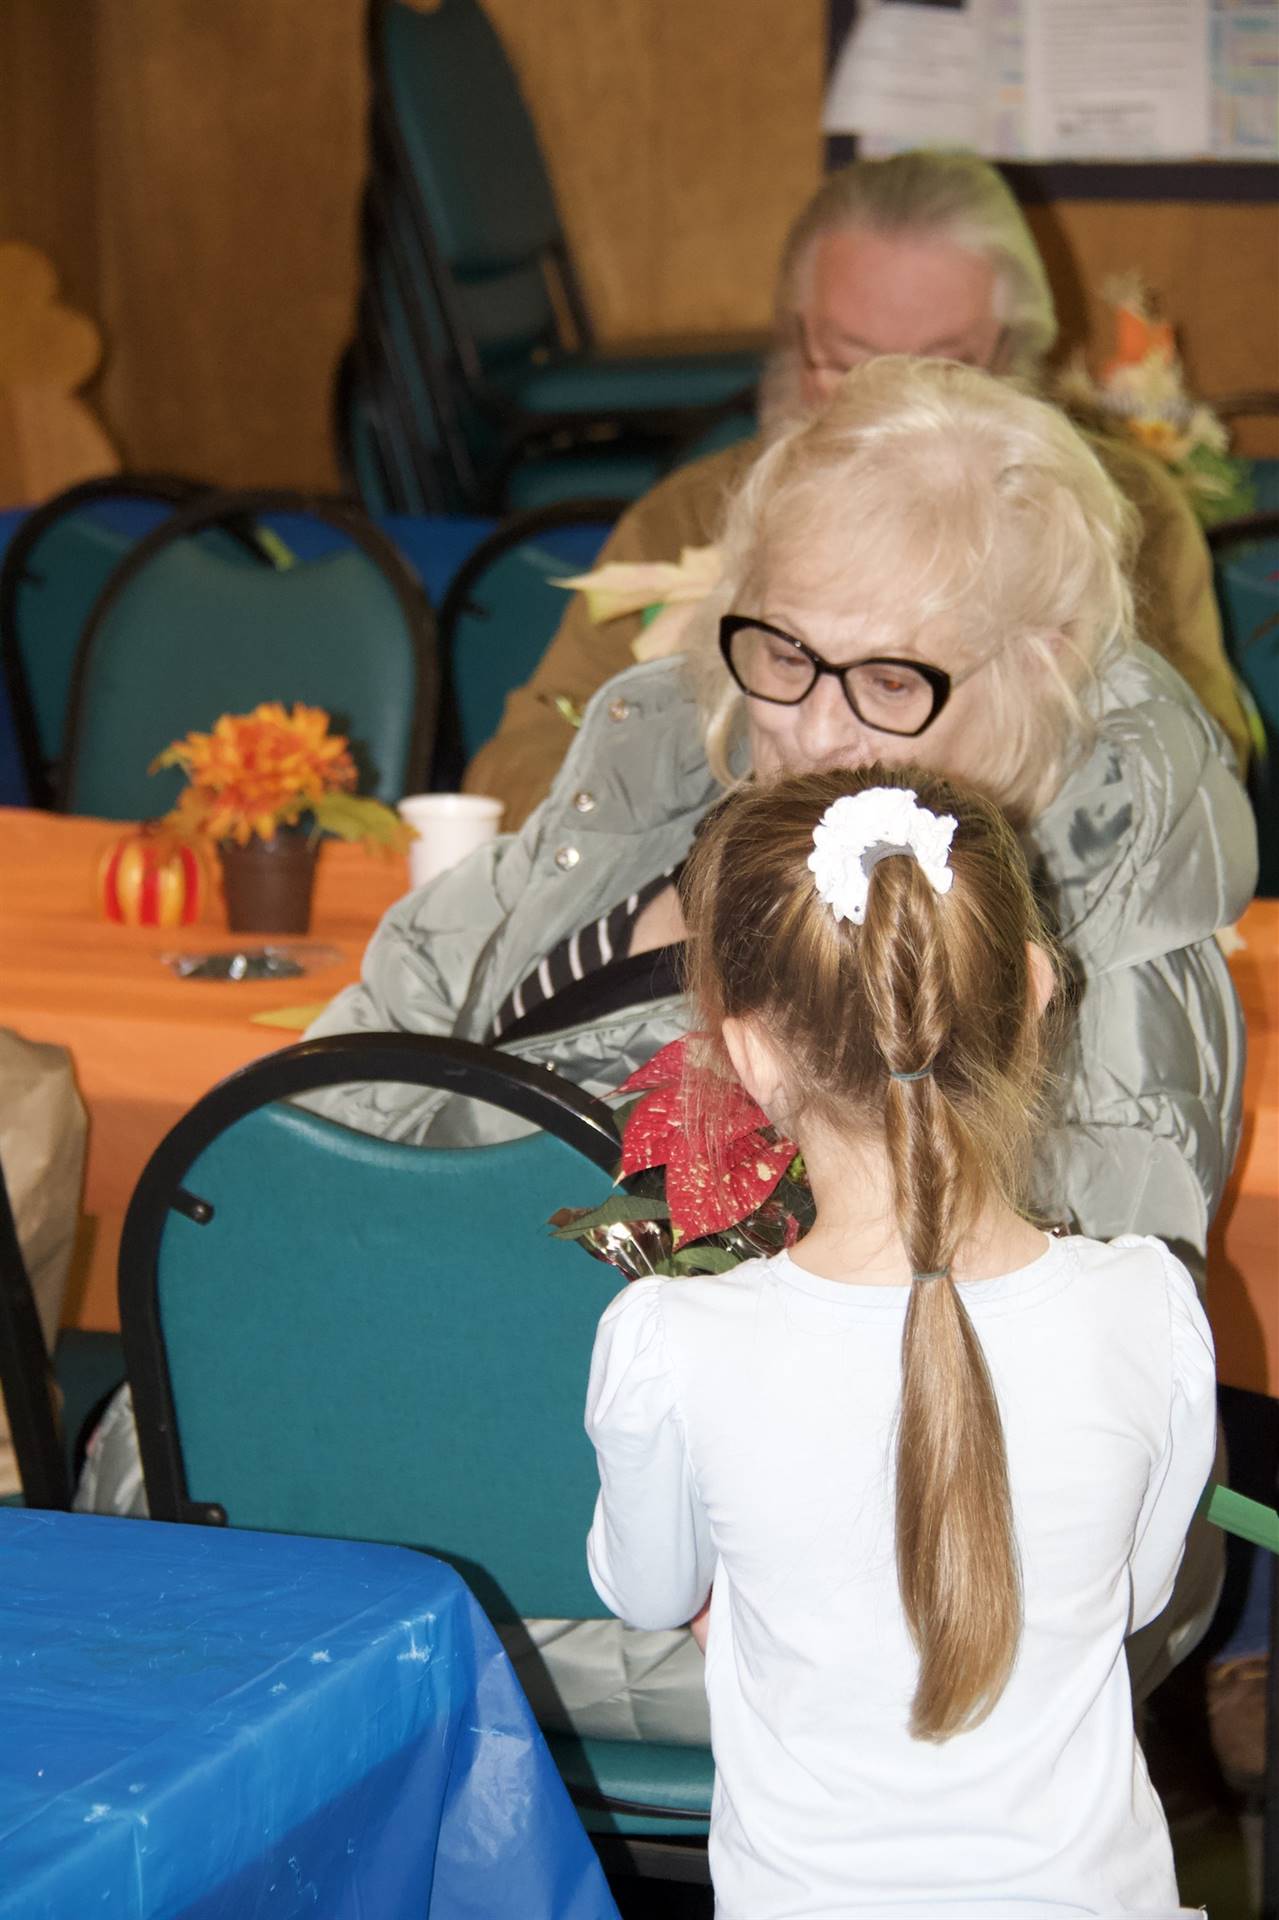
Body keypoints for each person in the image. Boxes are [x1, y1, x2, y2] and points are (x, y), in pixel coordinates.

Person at [86, 360, 1252, 1739]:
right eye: (779, 652)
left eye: (889, 680)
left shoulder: (1084, 959)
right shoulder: (640, 799)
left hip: (754, 1610)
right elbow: (342, 1084)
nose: (812, 731)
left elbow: (1060, 1435)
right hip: (374, 1487)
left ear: (1038, 664)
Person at [586, 763, 1218, 1916]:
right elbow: (1130, 1602)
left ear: (751, 1055)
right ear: (1034, 990)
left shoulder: (670, 1337)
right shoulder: (1151, 1302)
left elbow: (645, 1592)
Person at [463, 151, 1248, 829]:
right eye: (847, 361)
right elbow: (522, 756)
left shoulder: (1119, 520)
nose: (889, 407)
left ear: (1019, 356)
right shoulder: (691, 514)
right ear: (792, 341)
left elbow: (1200, 781)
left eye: (943, 367)